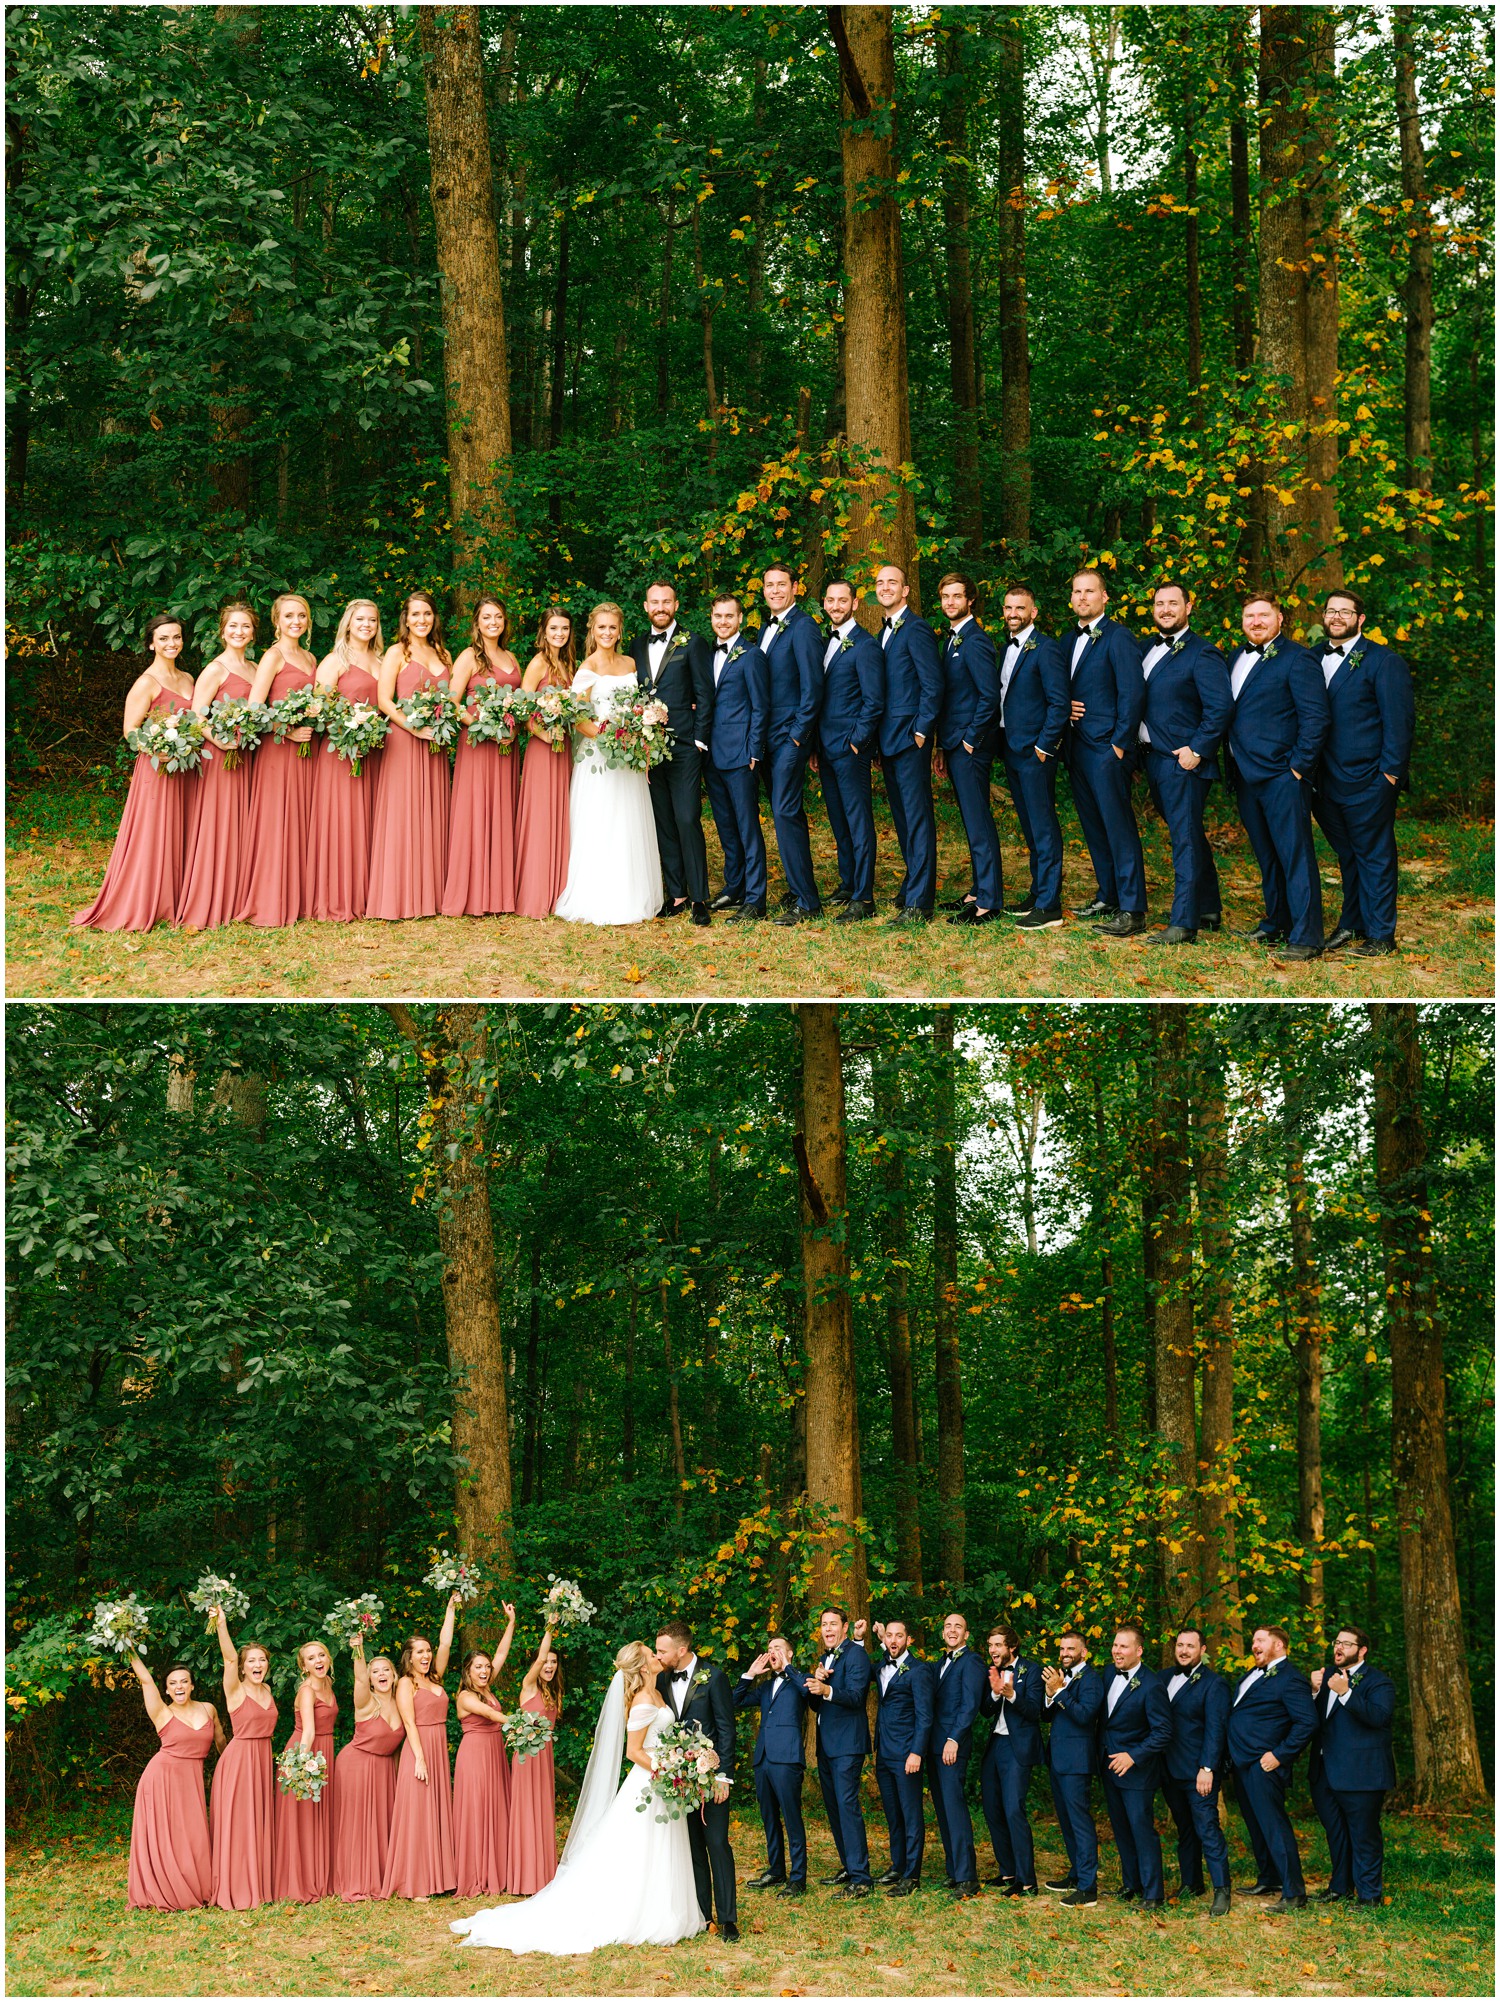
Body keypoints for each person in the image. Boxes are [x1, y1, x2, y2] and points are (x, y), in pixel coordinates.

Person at [450, 1639, 710, 1952]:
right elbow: (633, 1751)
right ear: (642, 1666)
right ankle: (641, 1910)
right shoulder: (642, 1698)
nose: (656, 1656)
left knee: (662, 1844)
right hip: (650, 1780)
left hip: (662, 1780)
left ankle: (669, 1907)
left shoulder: (657, 1691)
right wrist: (665, 1767)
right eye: (650, 1654)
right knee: (641, 1847)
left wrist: (679, 1758)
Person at [74, 612, 198, 932]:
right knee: (154, 834)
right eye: (164, 638)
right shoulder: (146, 682)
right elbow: (130, 730)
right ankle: (146, 898)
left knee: (183, 829)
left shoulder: (188, 678)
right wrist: (159, 745)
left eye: (176, 637)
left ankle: (180, 897)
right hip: (158, 768)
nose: (172, 643)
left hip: (187, 768)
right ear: (151, 644)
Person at [1225, 595, 1330, 961]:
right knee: (1267, 855)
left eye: (1263, 615)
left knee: (1295, 854)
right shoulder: (1235, 657)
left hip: (1282, 774)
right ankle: (1277, 922)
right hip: (1244, 774)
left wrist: (1298, 767)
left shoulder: (1298, 658)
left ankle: (1307, 937)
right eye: (1249, 615)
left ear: (1280, 618)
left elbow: (1315, 718)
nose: (1255, 621)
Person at [1312, 591, 1415, 958]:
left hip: (1369, 779)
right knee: (1347, 855)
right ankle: (1351, 923)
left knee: (1375, 856)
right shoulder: (1310, 658)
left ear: (1360, 619)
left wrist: (1389, 775)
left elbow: (1399, 723)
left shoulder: (1383, 662)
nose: (1337, 617)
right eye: (1331, 611)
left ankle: (1381, 936)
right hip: (1321, 782)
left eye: (1345, 612)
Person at [553, 601, 665, 926]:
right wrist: (610, 737)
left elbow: (637, 705)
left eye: (612, 627)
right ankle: (599, 897)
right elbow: (578, 718)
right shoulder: (586, 668)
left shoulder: (630, 663)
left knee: (629, 821)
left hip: (628, 757)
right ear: (592, 630)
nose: (607, 632)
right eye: (601, 627)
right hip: (600, 757)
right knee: (602, 821)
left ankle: (632, 893)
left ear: (620, 630)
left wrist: (636, 731)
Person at [1135, 581, 1233, 945]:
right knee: (1189, 834)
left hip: (1183, 762)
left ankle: (1184, 921)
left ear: (1188, 607)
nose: (1165, 609)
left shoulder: (1203, 653)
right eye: (1159, 603)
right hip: (1152, 760)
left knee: (1185, 841)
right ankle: (1207, 906)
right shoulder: (1145, 648)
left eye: (1173, 603)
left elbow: (1220, 707)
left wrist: (1198, 749)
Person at [1063, 567, 1147, 935]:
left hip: (1107, 748)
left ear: (1104, 597)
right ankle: (1108, 894)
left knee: (1119, 827)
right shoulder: (1067, 641)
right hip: (1076, 747)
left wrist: (1119, 744)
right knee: (1093, 826)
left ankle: (1133, 909)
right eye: (1077, 592)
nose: (1083, 598)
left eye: (1090, 591)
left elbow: (1133, 692)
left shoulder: (1119, 637)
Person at [629, 580, 714, 925]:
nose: (660, 607)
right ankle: (676, 893)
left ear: (675, 605)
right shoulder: (634, 646)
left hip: (683, 748)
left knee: (686, 818)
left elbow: (705, 693)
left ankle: (699, 898)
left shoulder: (693, 643)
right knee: (662, 821)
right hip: (648, 749)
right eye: (654, 602)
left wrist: (698, 739)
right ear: (646, 607)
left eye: (666, 601)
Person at [365, 590, 453, 921]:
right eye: (415, 614)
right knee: (403, 814)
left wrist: (441, 721)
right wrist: (413, 727)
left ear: (434, 618)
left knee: (431, 811)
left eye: (427, 614)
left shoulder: (444, 655)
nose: (421, 620)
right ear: (405, 618)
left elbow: (452, 699)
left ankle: (430, 894)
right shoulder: (396, 653)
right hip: (404, 740)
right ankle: (398, 897)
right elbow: (384, 699)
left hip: (435, 742)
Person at [234, 592, 319, 927]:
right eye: (288, 616)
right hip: (279, 749)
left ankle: (299, 898)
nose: (295, 622)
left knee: (300, 821)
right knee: (276, 823)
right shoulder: (273, 656)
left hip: (305, 750)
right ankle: (269, 900)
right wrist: (286, 729)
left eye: (301, 616)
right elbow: (255, 709)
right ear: (276, 621)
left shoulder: (311, 658)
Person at [441, 594, 524, 918]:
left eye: (498, 617)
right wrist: (481, 725)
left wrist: (514, 725)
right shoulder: (468, 657)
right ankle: (472, 894)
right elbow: (452, 702)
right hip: (477, 745)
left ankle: (499, 894)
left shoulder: (510, 656)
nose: (493, 622)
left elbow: (518, 702)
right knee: (475, 812)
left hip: (506, 746)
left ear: (505, 622)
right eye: (487, 617)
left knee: (501, 810)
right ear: (477, 622)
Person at [178, 602, 259, 930]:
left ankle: (241, 896)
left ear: (254, 632)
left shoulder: (255, 668)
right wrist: (220, 739)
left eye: (246, 626)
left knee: (245, 826)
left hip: (250, 755)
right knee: (221, 827)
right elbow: (196, 715)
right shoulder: (215, 669)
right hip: (222, 758)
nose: (239, 632)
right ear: (222, 631)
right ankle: (212, 900)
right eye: (233, 626)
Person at [655, 1620, 738, 1941]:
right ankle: (704, 1916)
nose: (659, 1655)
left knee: (717, 1844)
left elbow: (727, 1730)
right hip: (679, 1779)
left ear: (682, 1649)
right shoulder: (661, 1680)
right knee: (692, 1850)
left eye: (663, 1650)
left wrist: (723, 1777)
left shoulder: (714, 1677)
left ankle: (728, 1919)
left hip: (711, 1775)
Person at [1227, 1623, 1318, 1911]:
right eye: (1254, 1640)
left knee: (1275, 1827)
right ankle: (1270, 1877)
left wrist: (1280, 1755)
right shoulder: (1251, 1675)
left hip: (1264, 1765)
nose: (1254, 1645)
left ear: (1278, 1645)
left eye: (1260, 1640)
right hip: (1241, 1764)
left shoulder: (1290, 1679)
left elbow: (1307, 1722)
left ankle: (1294, 1893)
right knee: (1256, 1826)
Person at [809, 578, 885, 924]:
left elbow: (874, 701)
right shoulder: (827, 642)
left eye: (843, 601)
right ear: (824, 603)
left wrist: (857, 741)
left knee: (858, 821)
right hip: (825, 748)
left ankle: (864, 897)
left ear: (855, 604)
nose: (836, 606)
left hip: (850, 749)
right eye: (830, 600)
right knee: (839, 820)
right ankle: (848, 882)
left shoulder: (865, 645)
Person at [996, 586, 1070, 930]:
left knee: (1043, 827)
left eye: (1020, 607)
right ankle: (1037, 891)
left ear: (1033, 612)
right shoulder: (1003, 649)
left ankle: (1049, 905)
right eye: (1009, 607)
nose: (1013, 613)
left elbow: (1059, 702)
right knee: (1028, 825)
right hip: (1011, 749)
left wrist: (1044, 746)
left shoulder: (1046, 649)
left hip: (1035, 752)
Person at [307, 598, 385, 922]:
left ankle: (370, 895)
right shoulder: (333, 661)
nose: (366, 625)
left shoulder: (382, 660)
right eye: (360, 619)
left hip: (374, 753)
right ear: (348, 624)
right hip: (340, 753)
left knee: (368, 821)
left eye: (372, 620)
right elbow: (317, 709)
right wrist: (348, 727)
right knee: (343, 822)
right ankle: (338, 897)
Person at [123, 1650, 222, 1910]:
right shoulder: (162, 1712)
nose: (179, 1687)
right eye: (172, 1683)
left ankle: (196, 1887)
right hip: (162, 1779)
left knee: (194, 1836)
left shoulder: (208, 1709)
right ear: (166, 1690)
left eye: (183, 1681)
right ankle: (168, 1888)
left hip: (192, 1780)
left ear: (192, 1685)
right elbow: (145, 1680)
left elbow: (222, 1743)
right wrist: (127, 1646)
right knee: (168, 1836)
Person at [754, 563, 825, 920]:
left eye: (782, 584)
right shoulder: (763, 630)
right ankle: (798, 889)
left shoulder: (805, 627)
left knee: (785, 811)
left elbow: (813, 687)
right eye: (770, 585)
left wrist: (800, 736)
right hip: (766, 737)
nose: (776, 590)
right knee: (783, 813)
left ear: (795, 588)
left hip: (790, 738)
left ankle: (808, 903)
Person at [786, 1605, 873, 1896]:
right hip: (826, 1746)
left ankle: (861, 1879)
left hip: (848, 1745)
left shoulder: (857, 1655)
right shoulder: (824, 1659)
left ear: (845, 1628)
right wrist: (818, 1683)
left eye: (833, 1623)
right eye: (824, 1624)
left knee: (848, 1808)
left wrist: (828, 1690)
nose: (828, 1629)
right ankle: (849, 1866)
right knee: (835, 1809)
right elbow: (815, 1705)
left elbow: (857, 1697)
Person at [1308, 1625, 1396, 1906]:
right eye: (1337, 1642)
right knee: (1336, 1833)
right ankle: (1340, 1887)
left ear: (1362, 1650)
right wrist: (1313, 1691)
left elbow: (1378, 1717)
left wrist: (1346, 1693)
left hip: (1362, 1774)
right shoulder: (1326, 1678)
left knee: (1363, 1834)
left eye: (1347, 1643)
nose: (1339, 1647)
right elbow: (1312, 1722)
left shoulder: (1379, 1683)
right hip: (1324, 1772)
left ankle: (1369, 1895)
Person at [874, 562, 943, 922]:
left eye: (893, 582)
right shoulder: (883, 631)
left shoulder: (916, 629)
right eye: (880, 582)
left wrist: (922, 731)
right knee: (902, 818)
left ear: (905, 591)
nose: (885, 587)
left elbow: (932, 684)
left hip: (909, 740)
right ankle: (912, 884)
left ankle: (920, 902)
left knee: (917, 819)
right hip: (887, 740)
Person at [934, 573, 1003, 926]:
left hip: (971, 747)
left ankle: (989, 902)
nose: (950, 602)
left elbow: (989, 697)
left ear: (970, 600)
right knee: (971, 820)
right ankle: (979, 889)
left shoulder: (975, 641)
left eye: (956, 596)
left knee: (978, 823)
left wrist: (969, 739)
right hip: (955, 744)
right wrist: (945, 746)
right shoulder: (952, 639)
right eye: (945, 596)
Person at [381, 1594, 461, 1900]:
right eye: (420, 1653)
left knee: (437, 1812)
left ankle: (439, 1876)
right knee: (417, 1814)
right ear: (409, 1657)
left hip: (438, 1746)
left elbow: (446, 1645)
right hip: (420, 1749)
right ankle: (414, 1883)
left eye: (427, 1651)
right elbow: (409, 1722)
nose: (426, 1656)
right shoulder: (406, 1683)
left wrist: (450, 1610)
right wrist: (419, 1757)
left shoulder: (435, 1677)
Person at [701, 593, 770, 919]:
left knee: (747, 828)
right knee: (726, 826)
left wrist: (755, 749)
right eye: (718, 616)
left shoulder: (751, 655)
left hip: (742, 754)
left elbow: (760, 706)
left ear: (740, 619)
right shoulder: (706, 654)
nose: (723, 622)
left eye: (729, 616)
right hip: (712, 754)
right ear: (711, 617)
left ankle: (755, 899)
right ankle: (734, 888)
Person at [207, 1603, 278, 1910]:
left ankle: (258, 1883)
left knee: (257, 1823)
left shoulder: (269, 1692)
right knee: (239, 1825)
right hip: (239, 1762)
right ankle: (236, 1887)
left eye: (262, 1660)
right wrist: (222, 1625)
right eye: (252, 1661)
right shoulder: (235, 1690)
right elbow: (228, 1657)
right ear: (243, 1667)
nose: (257, 1664)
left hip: (262, 1760)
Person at [1099, 1622, 1172, 1909]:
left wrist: (1133, 1756)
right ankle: (1131, 1884)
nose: (1117, 1651)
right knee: (1121, 1829)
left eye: (1123, 1646)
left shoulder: (1152, 1685)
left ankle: (1153, 1894)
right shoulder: (1107, 1674)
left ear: (1138, 1650)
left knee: (1142, 1830)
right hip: (1108, 1766)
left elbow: (1163, 1732)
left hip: (1137, 1771)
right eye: (1115, 1645)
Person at [1161, 1626, 1232, 1915]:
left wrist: (1207, 1767)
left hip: (1197, 1772)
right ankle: (1192, 1882)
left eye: (1190, 1646)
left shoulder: (1214, 1684)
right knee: (1185, 1829)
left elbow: (1216, 1730)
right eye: (1180, 1645)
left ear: (1203, 1650)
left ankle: (1222, 1890)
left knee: (1207, 1829)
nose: (1184, 1650)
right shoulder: (1163, 1678)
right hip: (1167, 1770)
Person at [860, 1615, 932, 1896]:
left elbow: (925, 1717)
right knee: (893, 1815)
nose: (893, 1640)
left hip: (907, 1755)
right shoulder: (881, 1667)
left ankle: (912, 1876)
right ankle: (898, 1865)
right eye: (889, 1635)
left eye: (899, 1636)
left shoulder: (919, 1671)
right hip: (885, 1754)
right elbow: (867, 1669)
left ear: (908, 1640)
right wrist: (871, 1640)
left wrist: (916, 1753)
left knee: (911, 1815)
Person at [514, 609, 578, 919]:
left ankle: (559, 890)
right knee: (541, 816)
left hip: (563, 747)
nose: (559, 633)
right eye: (554, 627)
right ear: (544, 630)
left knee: (561, 814)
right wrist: (543, 733)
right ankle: (536, 892)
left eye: (564, 628)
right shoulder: (538, 663)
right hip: (543, 749)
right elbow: (523, 711)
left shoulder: (569, 663)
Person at [330, 1640, 406, 1901]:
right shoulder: (366, 1701)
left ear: (394, 1676)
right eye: (376, 1672)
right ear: (371, 1680)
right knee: (359, 1825)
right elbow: (359, 1680)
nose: (381, 1674)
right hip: (357, 1765)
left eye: (386, 1670)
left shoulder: (402, 1703)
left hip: (384, 1769)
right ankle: (357, 1880)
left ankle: (382, 1877)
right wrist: (358, 1650)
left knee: (381, 1822)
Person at [735, 1635, 810, 1898]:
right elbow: (736, 1701)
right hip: (763, 1759)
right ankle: (776, 1869)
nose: (772, 1652)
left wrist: (788, 1667)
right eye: (769, 1649)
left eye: (778, 1648)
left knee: (791, 1818)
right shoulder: (766, 1687)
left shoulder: (802, 1679)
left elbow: (808, 1692)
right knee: (769, 1818)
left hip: (787, 1759)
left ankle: (798, 1878)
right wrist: (750, 1674)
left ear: (790, 1652)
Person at [453, 1605, 518, 1899]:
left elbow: (501, 1654)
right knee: (478, 1809)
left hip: (494, 1752)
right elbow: (490, 1715)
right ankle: (476, 1873)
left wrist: (511, 1622)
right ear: (467, 1670)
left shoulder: (488, 1687)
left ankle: (498, 1869)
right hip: (475, 1755)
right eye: (478, 1667)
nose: (484, 1670)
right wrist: (522, 1723)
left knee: (495, 1806)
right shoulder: (465, 1695)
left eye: (486, 1667)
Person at [978, 1624, 1043, 1896]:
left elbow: (1036, 1711)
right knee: (992, 1809)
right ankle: (1008, 1871)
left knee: (1013, 1810)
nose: (992, 1650)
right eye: (990, 1645)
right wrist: (995, 1692)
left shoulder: (1033, 1670)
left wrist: (1012, 1695)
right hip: (996, 1745)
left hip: (1018, 1747)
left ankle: (1027, 1880)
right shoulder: (992, 1672)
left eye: (997, 1645)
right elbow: (985, 1710)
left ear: (1011, 1647)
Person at [274, 1636, 340, 1902]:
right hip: (306, 1753)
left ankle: (320, 1877)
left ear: (328, 1658)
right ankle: (299, 1882)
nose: (318, 1661)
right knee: (302, 1818)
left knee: (320, 1816)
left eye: (321, 1655)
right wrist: (300, 1767)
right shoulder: (307, 1691)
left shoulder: (329, 1685)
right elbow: (308, 1731)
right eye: (311, 1658)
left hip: (326, 1751)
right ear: (304, 1667)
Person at [1042, 1629, 1104, 1907]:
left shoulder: (1091, 1679)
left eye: (1071, 1649)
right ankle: (1076, 1874)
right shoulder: (1061, 1678)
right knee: (1066, 1821)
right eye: (1063, 1649)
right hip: (1058, 1760)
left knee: (1080, 1822)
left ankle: (1089, 1887)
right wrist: (1049, 1694)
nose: (1065, 1653)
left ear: (1084, 1652)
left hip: (1077, 1762)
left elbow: (1084, 1715)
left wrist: (1060, 1691)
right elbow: (1047, 1715)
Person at [927, 1610, 985, 1898]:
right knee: (943, 1811)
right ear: (943, 1633)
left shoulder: (972, 1661)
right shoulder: (939, 1663)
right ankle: (954, 1871)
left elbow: (970, 1704)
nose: (952, 1630)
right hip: (934, 1748)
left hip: (952, 1747)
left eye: (958, 1626)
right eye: (948, 1626)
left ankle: (967, 1878)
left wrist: (954, 1738)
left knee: (955, 1810)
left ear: (966, 1634)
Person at [507, 1624, 563, 1895]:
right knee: (526, 1810)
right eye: (545, 1661)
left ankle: (542, 1872)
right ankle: (524, 1875)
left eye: (554, 1662)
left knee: (542, 1809)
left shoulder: (554, 1692)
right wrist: (550, 1627)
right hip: (527, 1755)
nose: (549, 1665)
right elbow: (540, 1657)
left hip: (545, 1756)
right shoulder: (528, 1687)